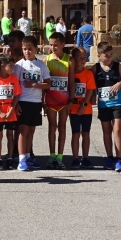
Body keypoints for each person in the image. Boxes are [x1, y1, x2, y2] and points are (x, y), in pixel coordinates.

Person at [14, 35, 50, 171]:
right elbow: (15, 85)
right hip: (23, 101)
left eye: (30, 49)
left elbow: (48, 85)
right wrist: (15, 104)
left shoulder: (41, 65)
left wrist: (35, 84)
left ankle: (28, 156)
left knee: (31, 131)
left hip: (36, 102)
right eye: (24, 49)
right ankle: (21, 159)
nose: (27, 52)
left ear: (35, 49)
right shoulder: (19, 65)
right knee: (23, 130)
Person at [94, 42, 121, 171]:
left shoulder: (118, 66)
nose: (109, 58)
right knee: (106, 131)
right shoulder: (96, 68)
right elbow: (93, 85)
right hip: (103, 104)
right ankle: (109, 157)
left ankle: (119, 159)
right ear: (99, 56)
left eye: (111, 55)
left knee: (117, 130)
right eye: (106, 56)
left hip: (117, 103)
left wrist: (119, 84)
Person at [44, 31, 72, 169]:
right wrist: (43, 102)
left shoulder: (69, 60)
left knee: (62, 127)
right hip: (50, 100)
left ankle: (60, 156)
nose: (53, 48)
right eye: (51, 45)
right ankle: (51, 155)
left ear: (62, 44)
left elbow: (71, 83)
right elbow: (44, 82)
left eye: (56, 45)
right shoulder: (47, 60)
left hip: (64, 101)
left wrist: (70, 101)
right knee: (52, 127)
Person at [0, 54, 21, 168]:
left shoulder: (13, 79)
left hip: (10, 112)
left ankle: (9, 157)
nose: (13, 68)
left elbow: (16, 96)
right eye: (11, 66)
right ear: (2, 66)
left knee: (10, 134)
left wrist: (11, 110)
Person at [68, 46, 95, 169]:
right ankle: (75, 158)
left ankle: (85, 157)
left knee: (86, 133)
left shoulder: (88, 73)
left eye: (85, 57)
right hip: (73, 109)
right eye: (80, 57)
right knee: (75, 133)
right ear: (73, 59)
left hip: (86, 109)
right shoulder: (70, 73)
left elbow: (90, 90)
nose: (83, 60)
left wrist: (84, 105)